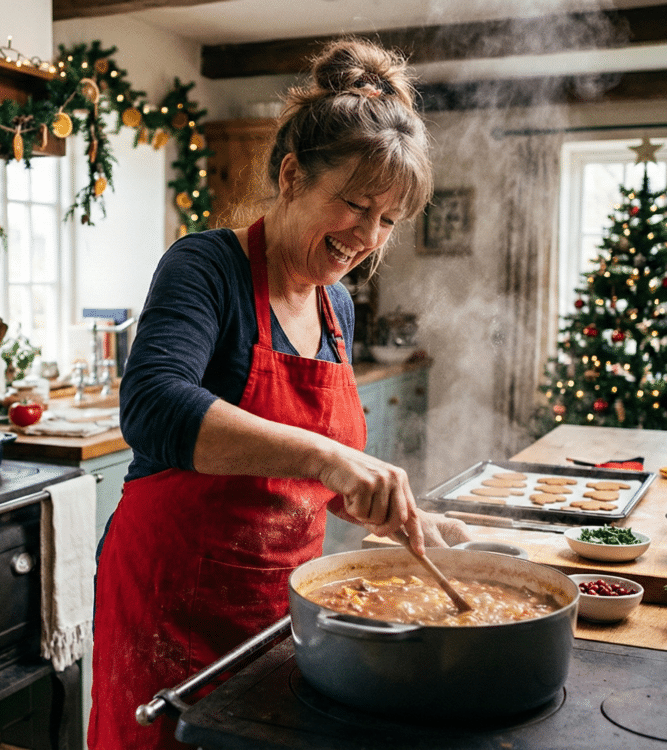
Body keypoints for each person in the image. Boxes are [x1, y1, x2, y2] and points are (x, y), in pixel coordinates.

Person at [88, 35, 470, 750]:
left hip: (280, 609)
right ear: (293, 175)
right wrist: (332, 460)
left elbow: (293, 478)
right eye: (356, 205)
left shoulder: (337, 309)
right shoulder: (206, 268)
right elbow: (152, 404)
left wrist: (385, 512)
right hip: (168, 606)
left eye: (388, 221)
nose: (368, 237)